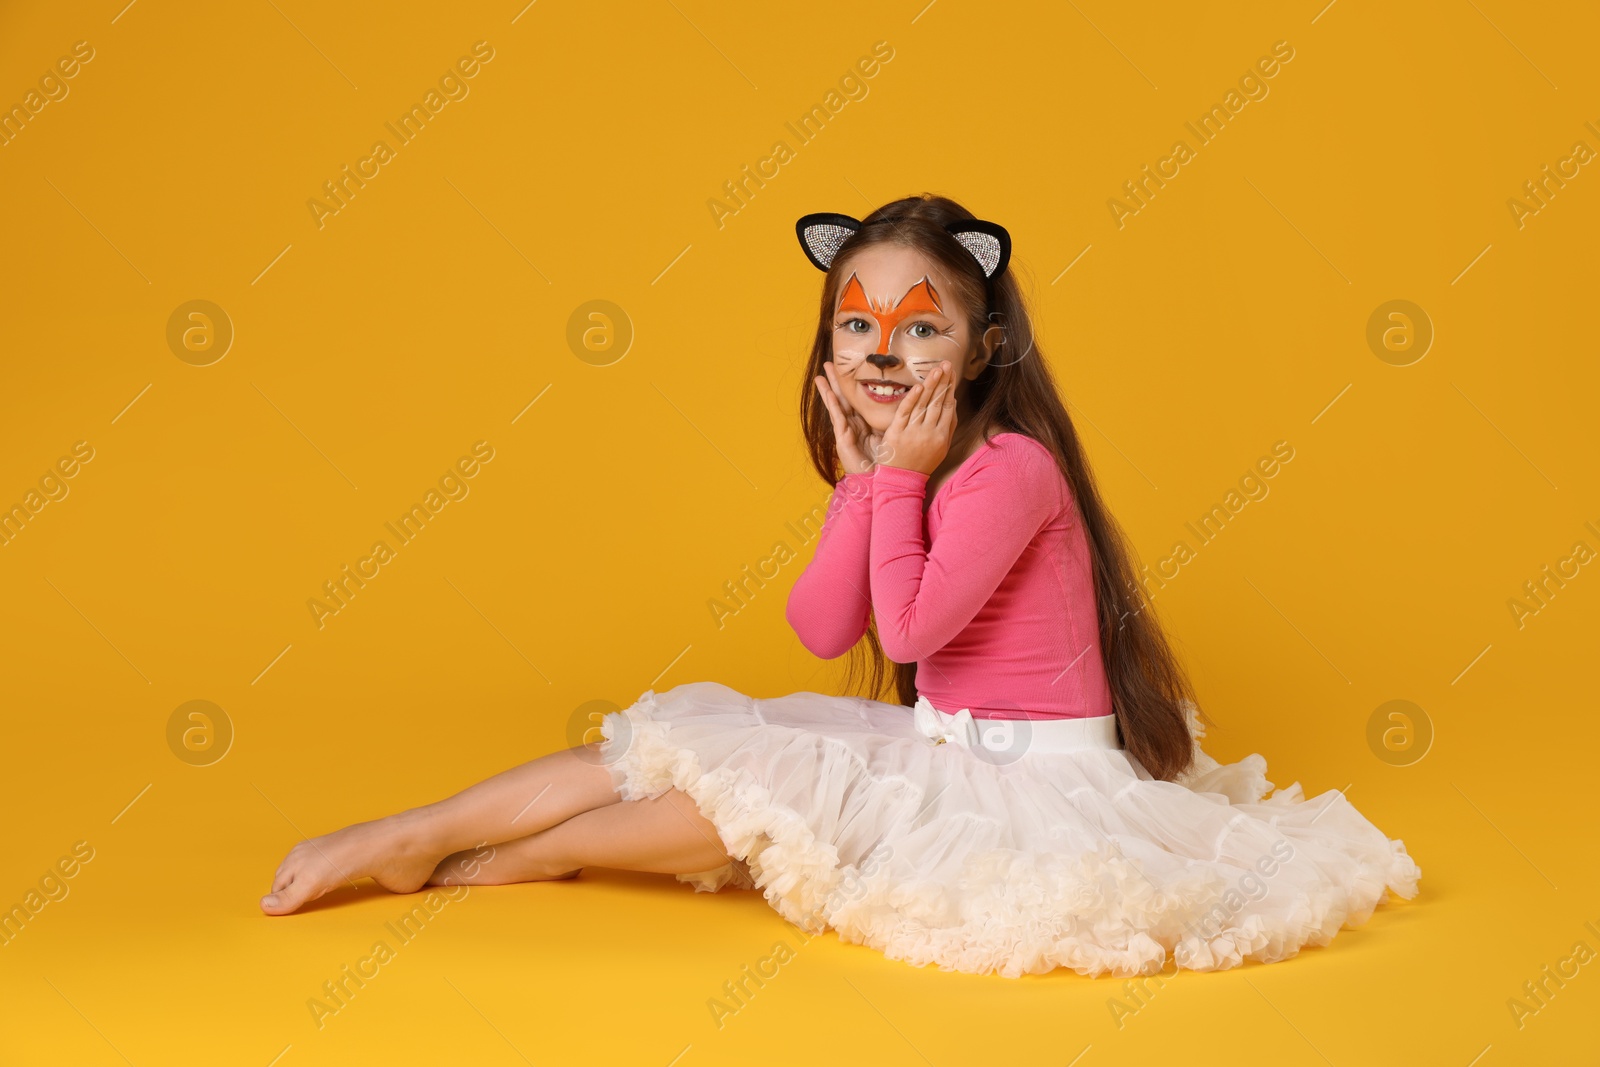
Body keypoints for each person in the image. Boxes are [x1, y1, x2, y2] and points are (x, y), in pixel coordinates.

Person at [261, 193, 1421, 979]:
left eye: (918, 331)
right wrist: (867, 487)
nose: (879, 353)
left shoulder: (1011, 468)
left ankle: (524, 854)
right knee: (687, 736)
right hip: (942, 739)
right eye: (854, 323)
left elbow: (908, 621)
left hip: (1031, 784)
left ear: (983, 344)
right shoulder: (897, 471)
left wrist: (894, 484)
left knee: (741, 804)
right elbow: (822, 629)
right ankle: (407, 830)